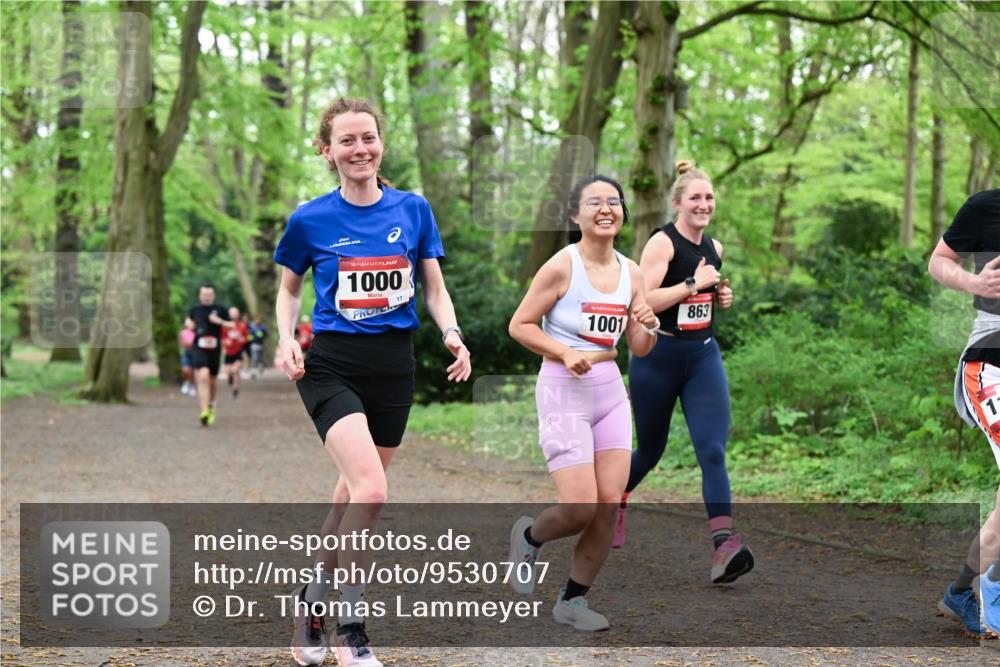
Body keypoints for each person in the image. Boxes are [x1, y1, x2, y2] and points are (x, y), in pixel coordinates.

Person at [275, 97, 471, 667]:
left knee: (350, 495)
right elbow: (289, 290)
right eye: (347, 140)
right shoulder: (310, 219)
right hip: (331, 365)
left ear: (381, 144)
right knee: (373, 491)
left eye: (368, 138)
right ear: (326, 150)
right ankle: (350, 628)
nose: (360, 149)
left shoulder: (413, 209)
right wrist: (286, 338)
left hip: (393, 367)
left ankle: (311, 601)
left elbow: (434, 287)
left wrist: (452, 332)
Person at [507, 174, 658, 631]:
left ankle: (573, 600)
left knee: (609, 504)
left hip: (609, 390)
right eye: (594, 202)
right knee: (579, 507)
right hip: (563, 388)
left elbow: (640, 346)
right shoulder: (561, 266)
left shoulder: (632, 272)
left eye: (614, 201)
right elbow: (520, 324)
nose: (606, 208)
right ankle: (529, 536)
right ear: (575, 215)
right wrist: (564, 351)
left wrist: (647, 324)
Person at [614, 161, 754, 585]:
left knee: (712, 450)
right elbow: (641, 302)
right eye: (695, 197)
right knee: (650, 451)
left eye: (709, 197)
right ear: (677, 203)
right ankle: (614, 499)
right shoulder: (662, 243)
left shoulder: (715, 247)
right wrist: (693, 284)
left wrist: (720, 295)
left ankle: (723, 547)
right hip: (658, 357)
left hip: (702, 357)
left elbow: (704, 297)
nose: (703, 204)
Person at [928, 188, 1000, 638]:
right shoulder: (985, 207)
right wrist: (974, 284)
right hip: (991, 361)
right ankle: (992, 591)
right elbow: (939, 261)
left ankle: (961, 591)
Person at [185, 285, 233, 426]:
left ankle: (211, 405)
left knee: (213, 382)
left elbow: (232, 325)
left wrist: (220, 321)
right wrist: (189, 324)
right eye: (204, 294)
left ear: (213, 295)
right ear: (200, 295)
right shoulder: (195, 310)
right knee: (203, 375)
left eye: (209, 294)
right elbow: (188, 322)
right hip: (199, 347)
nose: (206, 297)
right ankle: (204, 411)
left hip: (214, 348)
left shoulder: (221, 309)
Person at [223, 306, 249, 398]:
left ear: (238, 315)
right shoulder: (225, 326)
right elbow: (221, 337)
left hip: (238, 351)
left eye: (235, 314)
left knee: (237, 370)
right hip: (228, 352)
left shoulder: (242, 326)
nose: (233, 316)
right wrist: (225, 341)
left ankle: (235, 390)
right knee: (228, 372)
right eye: (232, 314)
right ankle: (230, 377)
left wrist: (243, 340)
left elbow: (246, 337)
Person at [179, 320, 196, 397]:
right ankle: (186, 382)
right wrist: (185, 343)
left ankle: (191, 385)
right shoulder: (183, 332)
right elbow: (181, 343)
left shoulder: (197, 332)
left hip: (195, 353)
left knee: (192, 372)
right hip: (186, 353)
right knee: (185, 370)